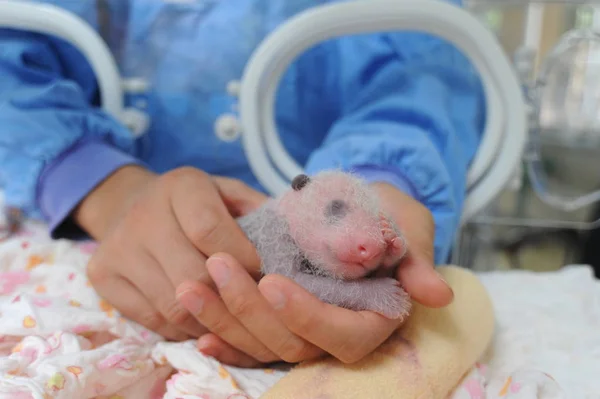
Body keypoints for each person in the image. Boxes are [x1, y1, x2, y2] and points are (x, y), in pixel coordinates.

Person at [0, 0, 485, 367]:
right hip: (87, 222)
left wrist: (387, 177)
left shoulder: (339, 213)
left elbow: (422, 65)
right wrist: (100, 184)